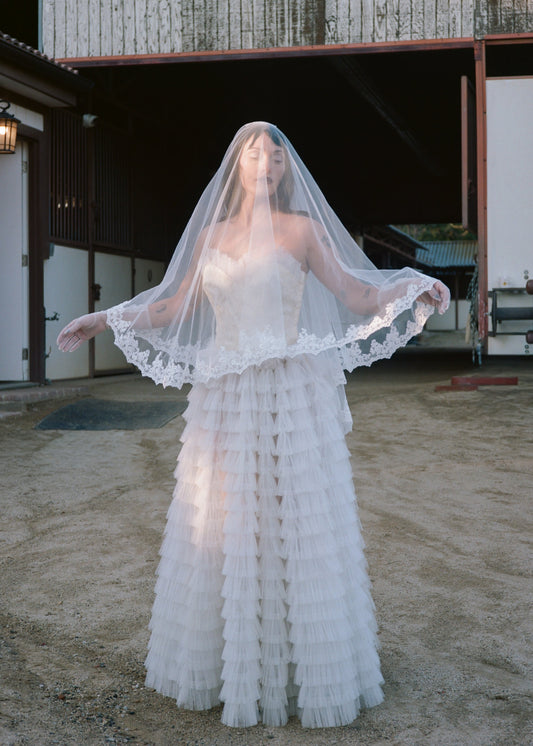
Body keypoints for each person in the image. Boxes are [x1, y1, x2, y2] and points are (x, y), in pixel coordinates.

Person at [57, 121, 449, 729]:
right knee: (225, 518)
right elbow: (168, 305)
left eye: (274, 156)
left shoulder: (302, 231)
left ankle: (307, 670)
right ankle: (227, 666)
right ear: (236, 166)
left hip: (289, 395)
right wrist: (103, 319)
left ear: (283, 170)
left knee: (294, 517)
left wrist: (411, 286)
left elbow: (355, 294)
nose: (264, 163)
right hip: (224, 395)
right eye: (253, 154)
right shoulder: (211, 235)